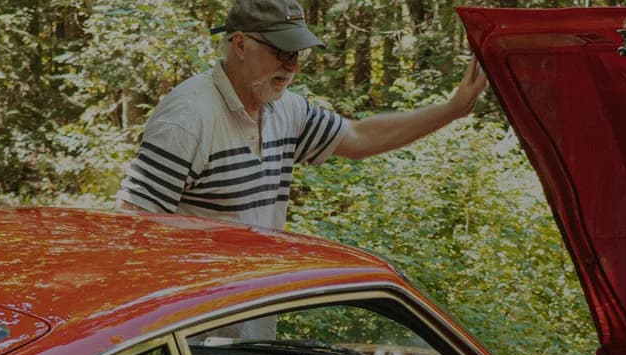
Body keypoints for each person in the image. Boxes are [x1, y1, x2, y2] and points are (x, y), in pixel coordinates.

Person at [116, 0, 488, 230]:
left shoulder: (285, 108)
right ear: (241, 44)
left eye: (298, 53)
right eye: (282, 51)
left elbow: (357, 138)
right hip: (191, 338)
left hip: (253, 328)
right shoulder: (188, 117)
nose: (292, 66)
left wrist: (451, 110)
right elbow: (133, 224)